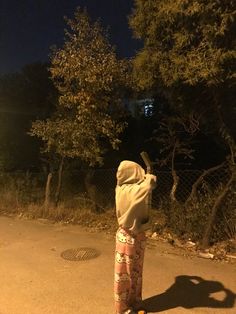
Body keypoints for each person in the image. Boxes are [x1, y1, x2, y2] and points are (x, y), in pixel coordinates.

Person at [114, 160, 157, 314]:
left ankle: (135, 302)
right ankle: (123, 309)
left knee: (135, 275)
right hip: (129, 238)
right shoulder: (133, 190)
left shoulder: (120, 188)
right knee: (125, 276)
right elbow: (151, 181)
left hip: (134, 236)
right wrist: (148, 174)